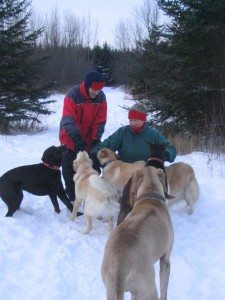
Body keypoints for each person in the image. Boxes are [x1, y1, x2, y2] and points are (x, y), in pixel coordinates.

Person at [59, 70, 107, 213]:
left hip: (88, 138)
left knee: (93, 164)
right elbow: (68, 119)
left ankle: (91, 192)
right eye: (94, 89)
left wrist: (95, 138)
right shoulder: (72, 95)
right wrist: (76, 138)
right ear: (86, 86)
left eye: (99, 90)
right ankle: (72, 196)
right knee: (69, 166)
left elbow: (100, 120)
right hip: (70, 136)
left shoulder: (101, 97)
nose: (96, 92)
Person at [91, 103, 177, 164]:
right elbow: (107, 144)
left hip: (145, 173)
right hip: (124, 172)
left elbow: (170, 147)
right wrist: (95, 154)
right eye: (130, 120)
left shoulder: (152, 134)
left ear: (143, 120)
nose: (132, 123)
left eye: (136, 120)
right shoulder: (123, 132)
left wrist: (166, 154)